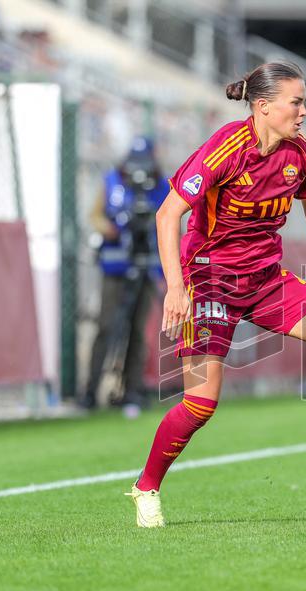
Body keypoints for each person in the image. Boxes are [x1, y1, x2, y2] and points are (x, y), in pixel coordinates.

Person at [125, 61, 306, 527]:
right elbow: (167, 214)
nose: (304, 112)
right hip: (209, 282)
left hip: (264, 281)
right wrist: (176, 287)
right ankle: (146, 486)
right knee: (201, 405)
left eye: (304, 102)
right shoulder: (226, 148)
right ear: (263, 106)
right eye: (296, 103)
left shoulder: (300, 155)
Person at [80, 137, 169, 418]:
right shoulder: (111, 182)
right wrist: (111, 228)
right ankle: (90, 391)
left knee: (137, 331)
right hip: (115, 268)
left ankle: (132, 390)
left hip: (147, 268)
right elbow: (94, 216)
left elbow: (171, 225)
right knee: (107, 326)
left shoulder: (162, 187)